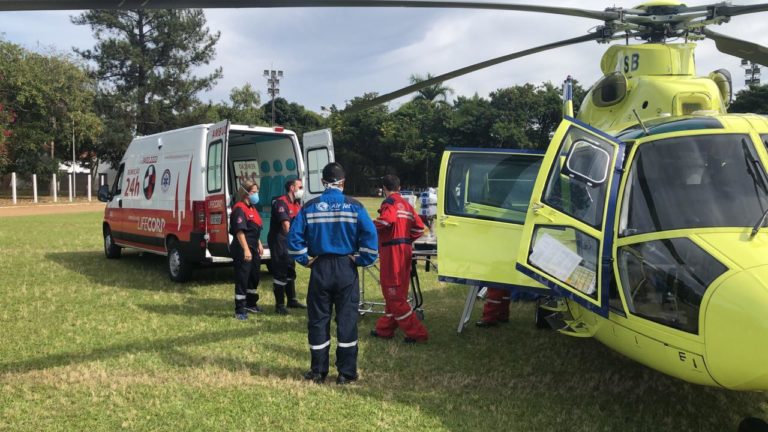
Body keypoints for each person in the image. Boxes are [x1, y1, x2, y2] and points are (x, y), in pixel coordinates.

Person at [288, 162, 378, 385]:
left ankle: (318, 371)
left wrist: (306, 260)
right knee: (347, 321)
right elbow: (370, 237)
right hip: (346, 267)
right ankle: (346, 373)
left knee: (318, 320)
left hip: (320, 268)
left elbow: (293, 240)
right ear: (343, 182)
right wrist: (361, 259)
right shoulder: (355, 206)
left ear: (322, 182)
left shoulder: (309, 207)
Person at [370, 174, 429, 343]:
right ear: (400, 188)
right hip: (405, 251)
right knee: (397, 292)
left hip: (392, 253)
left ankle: (417, 334)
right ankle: (385, 329)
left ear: (384, 189)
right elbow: (419, 229)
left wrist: (369, 226)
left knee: (393, 293)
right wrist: (406, 240)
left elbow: (387, 221)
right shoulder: (407, 205)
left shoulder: (389, 203)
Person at [267, 178, 307, 315]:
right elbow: (286, 225)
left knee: (290, 269)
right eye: (300, 187)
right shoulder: (281, 203)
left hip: (290, 241)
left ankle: (292, 300)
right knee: (280, 271)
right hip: (280, 241)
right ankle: (279, 305)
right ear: (292, 188)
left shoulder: (296, 204)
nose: (302, 190)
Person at [229, 180, 265, 320]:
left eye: (257, 192)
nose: (256, 195)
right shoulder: (239, 208)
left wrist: (259, 244)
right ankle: (239, 309)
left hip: (253, 247)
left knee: (254, 276)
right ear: (245, 193)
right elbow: (240, 232)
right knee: (242, 278)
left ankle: (251, 303)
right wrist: (246, 249)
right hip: (243, 248)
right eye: (253, 192)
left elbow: (255, 228)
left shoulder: (252, 208)